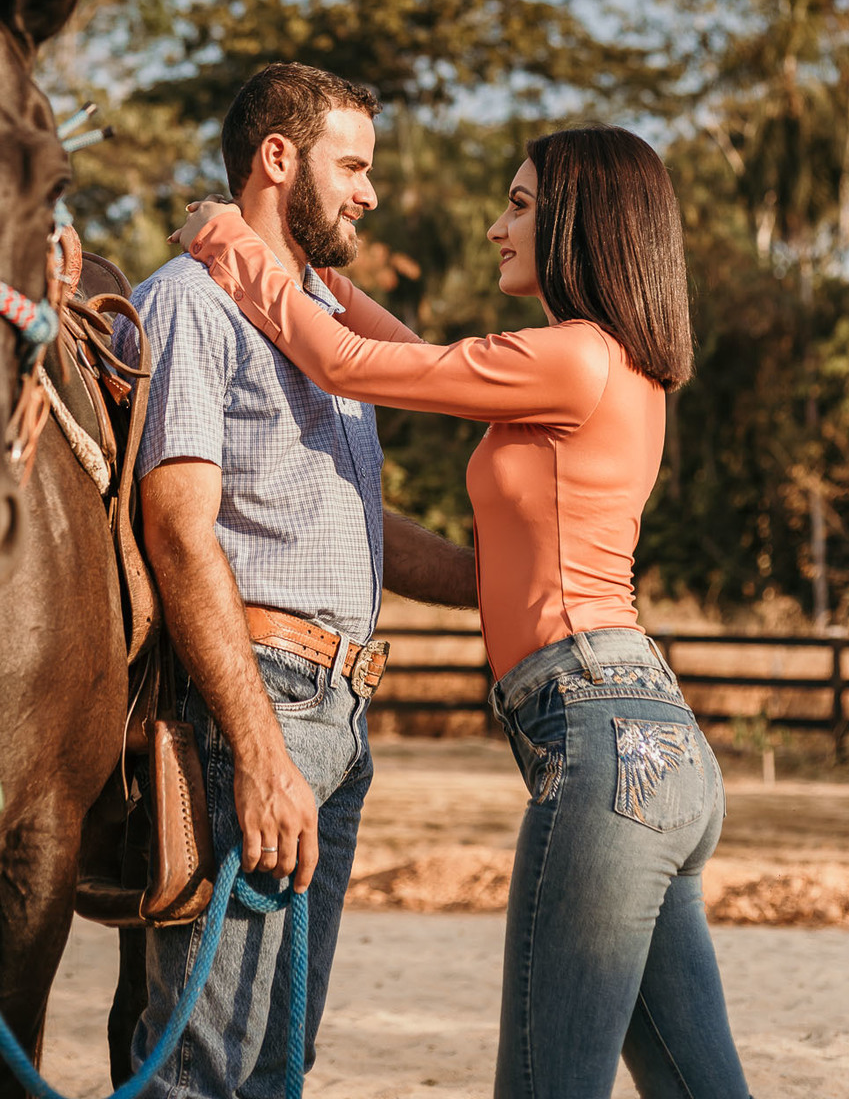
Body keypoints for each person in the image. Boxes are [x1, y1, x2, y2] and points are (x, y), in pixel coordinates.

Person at [175, 124, 752, 1099]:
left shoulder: (572, 357)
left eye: (520, 205)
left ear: (578, 222)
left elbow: (346, 365)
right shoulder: (610, 366)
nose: (497, 227)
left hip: (598, 739)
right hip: (659, 748)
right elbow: (414, 358)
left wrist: (230, 241)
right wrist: (319, 275)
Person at [124, 62, 476, 1099]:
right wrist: (257, 749)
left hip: (341, 710)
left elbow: (351, 521)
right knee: (203, 1062)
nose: (370, 192)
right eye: (352, 167)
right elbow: (178, 530)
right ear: (278, 159)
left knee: (280, 1063)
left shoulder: (322, 319)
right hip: (262, 696)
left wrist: (496, 583)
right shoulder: (192, 301)